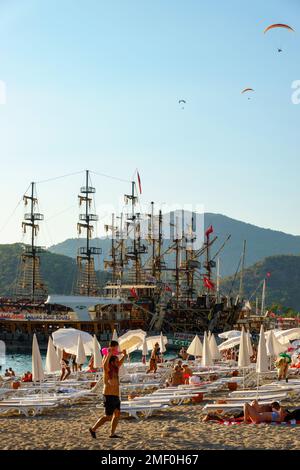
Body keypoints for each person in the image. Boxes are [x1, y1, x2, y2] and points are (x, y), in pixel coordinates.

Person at [89, 347, 127, 439]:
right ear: (112, 362)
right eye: (116, 361)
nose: (118, 362)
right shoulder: (107, 371)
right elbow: (104, 364)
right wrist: (109, 355)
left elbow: (121, 362)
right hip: (108, 395)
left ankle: (112, 433)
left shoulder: (116, 369)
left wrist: (124, 355)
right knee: (108, 416)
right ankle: (93, 429)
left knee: (117, 414)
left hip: (116, 396)